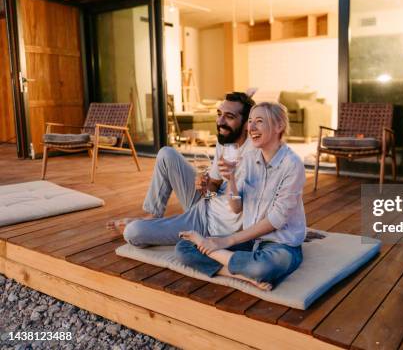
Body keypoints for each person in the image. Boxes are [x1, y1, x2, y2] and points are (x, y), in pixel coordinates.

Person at [176, 102, 306, 291]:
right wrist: (231, 180)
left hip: (280, 244)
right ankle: (247, 276)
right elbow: (237, 207)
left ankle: (246, 269)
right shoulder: (250, 159)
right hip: (250, 240)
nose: (250, 127)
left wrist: (225, 241)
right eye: (250, 121)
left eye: (259, 121)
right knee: (183, 249)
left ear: (279, 126)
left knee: (264, 266)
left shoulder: (292, 165)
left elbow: (276, 220)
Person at [106, 91, 256, 246]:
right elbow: (214, 188)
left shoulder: (256, 156)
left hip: (207, 224)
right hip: (205, 202)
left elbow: (237, 207)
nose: (220, 121)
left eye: (229, 116)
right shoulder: (225, 140)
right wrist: (206, 188)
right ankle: (152, 216)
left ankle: (152, 227)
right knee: (166, 154)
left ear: (247, 124)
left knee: (133, 232)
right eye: (219, 114)